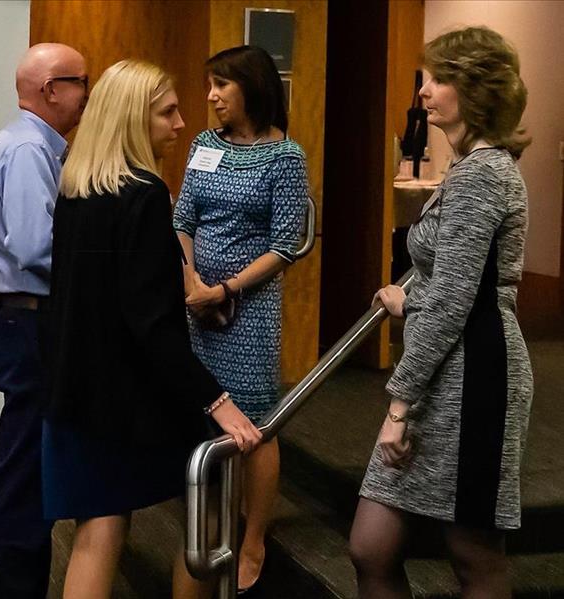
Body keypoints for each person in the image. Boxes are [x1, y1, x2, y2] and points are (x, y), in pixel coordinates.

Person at [40, 59, 262, 599]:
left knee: (97, 530)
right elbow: (152, 323)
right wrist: (217, 401)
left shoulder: (78, 186)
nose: (182, 123)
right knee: (203, 509)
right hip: (124, 401)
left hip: (75, 391)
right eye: (167, 113)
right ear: (133, 119)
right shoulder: (141, 194)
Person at [349, 26, 533, 598]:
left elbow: (460, 299)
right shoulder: (470, 169)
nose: (424, 93)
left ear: (475, 90)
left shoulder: (483, 173)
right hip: (448, 364)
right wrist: (416, 295)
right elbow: (458, 283)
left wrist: (398, 405)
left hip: (477, 376)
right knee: (370, 546)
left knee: (473, 554)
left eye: (438, 79)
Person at [172, 45, 309, 594]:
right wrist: (192, 285)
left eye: (220, 86)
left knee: (255, 422)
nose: (210, 96)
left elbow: (287, 244)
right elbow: (183, 218)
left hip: (248, 312)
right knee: (200, 411)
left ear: (249, 88)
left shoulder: (286, 157)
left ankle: (254, 538)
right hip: (195, 306)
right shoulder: (205, 145)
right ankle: (206, 519)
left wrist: (225, 288)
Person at [0, 42, 88, 598]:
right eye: (81, 81)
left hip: (24, 322)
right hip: (30, 325)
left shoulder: (29, 145)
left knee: (26, 470)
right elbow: (38, 248)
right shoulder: (28, 152)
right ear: (51, 90)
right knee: (24, 476)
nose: (89, 94)